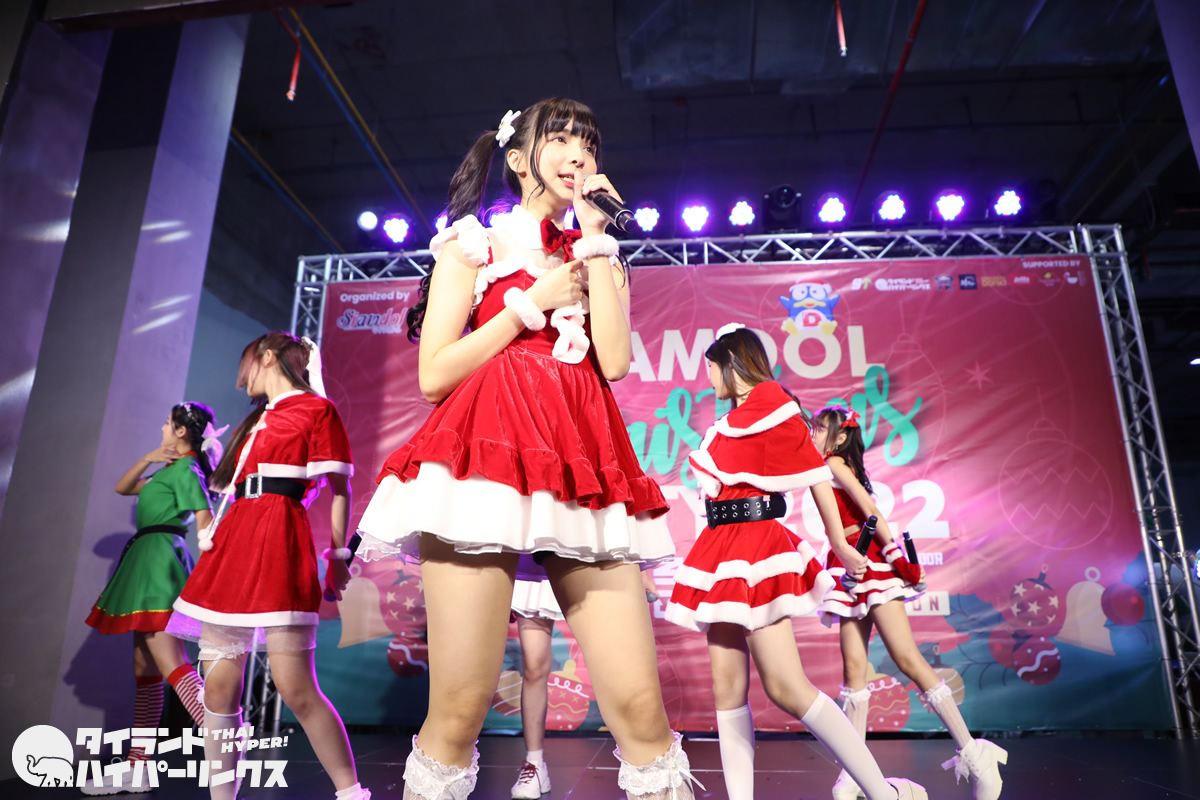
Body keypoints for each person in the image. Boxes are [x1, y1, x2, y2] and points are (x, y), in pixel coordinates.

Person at [356, 98, 694, 800]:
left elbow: (614, 361)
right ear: (517, 159)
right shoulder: (472, 244)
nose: (579, 153)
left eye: (588, 142)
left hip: (582, 464)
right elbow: (433, 374)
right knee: (460, 708)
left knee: (640, 708)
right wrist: (529, 302)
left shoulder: (599, 254)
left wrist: (596, 239)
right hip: (482, 461)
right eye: (562, 138)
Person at [663, 324, 926, 800]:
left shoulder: (774, 406)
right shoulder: (730, 421)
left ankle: (881, 793)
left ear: (732, 363)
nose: (708, 378)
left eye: (712, 367)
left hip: (756, 547)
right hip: (719, 547)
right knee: (727, 689)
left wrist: (839, 543)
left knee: (786, 687)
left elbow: (816, 474)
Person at [168, 332, 369, 800]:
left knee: (295, 687)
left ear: (268, 356)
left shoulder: (317, 410)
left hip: (279, 537)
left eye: (246, 368)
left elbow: (339, 487)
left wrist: (338, 557)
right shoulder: (257, 419)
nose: (242, 382)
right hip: (234, 541)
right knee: (218, 688)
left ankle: (352, 794)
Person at [812, 405, 1007, 800]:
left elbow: (870, 511)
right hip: (850, 562)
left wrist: (897, 557)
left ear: (840, 437)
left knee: (907, 658)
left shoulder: (833, 464)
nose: (812, 433)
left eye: (818, 428)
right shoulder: (823, 468)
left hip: (868, 561)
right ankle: (853, 776)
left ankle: (974, 753)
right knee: (854, 672)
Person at [80, 403, 221, 795]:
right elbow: (124, 487)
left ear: (180, 431)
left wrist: (210, 577)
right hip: (146, 560)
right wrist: (149, 457)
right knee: (145, 669)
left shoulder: (187, 470)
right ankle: (137, 766)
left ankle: (225, 741)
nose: (162, 427)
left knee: (171, 663)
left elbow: (205, 521)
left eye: (167, 423)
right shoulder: (170, 470)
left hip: (160, 565)